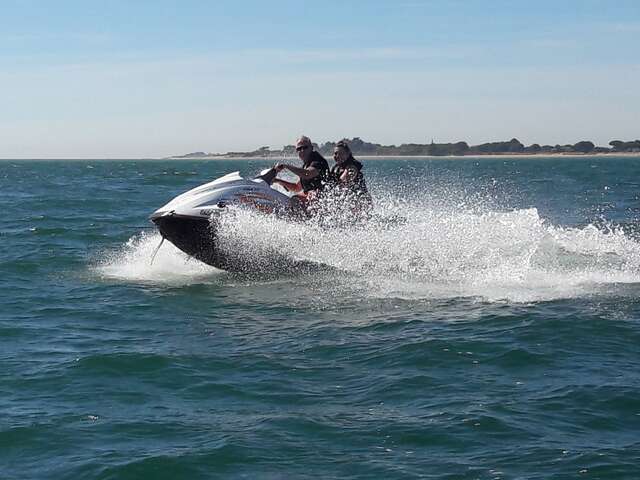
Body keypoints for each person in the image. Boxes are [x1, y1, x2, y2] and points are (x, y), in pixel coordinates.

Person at [273, 135, 329, 215]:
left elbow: (307, 174)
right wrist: (277, 180)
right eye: (299, 149)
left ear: (311, 148)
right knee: (294, 199)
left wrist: (286, 166)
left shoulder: (317, 161)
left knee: (297, 199)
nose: (302, 151)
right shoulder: (306, 165)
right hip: (313, 202)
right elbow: (296, 187)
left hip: (324, 200)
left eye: (305, 147)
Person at [329, 140, 373, 215]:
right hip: (347, 203)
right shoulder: (335, 168)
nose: (337, 156)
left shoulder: (353, 165)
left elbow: (347, 177)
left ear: (348, 154)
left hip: (361, 202)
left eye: (341, 153)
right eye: (335, 153)